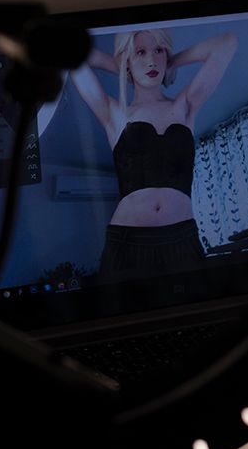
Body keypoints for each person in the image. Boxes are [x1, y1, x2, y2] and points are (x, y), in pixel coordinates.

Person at [70, 27, 237, 283]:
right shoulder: (114, 114)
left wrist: (172, 62)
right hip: (127, 244)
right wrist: (124, 68)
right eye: (140, 52)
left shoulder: (185, 105)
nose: (152, 61)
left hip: (182, 239)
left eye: (159, 50)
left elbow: (226, 43)